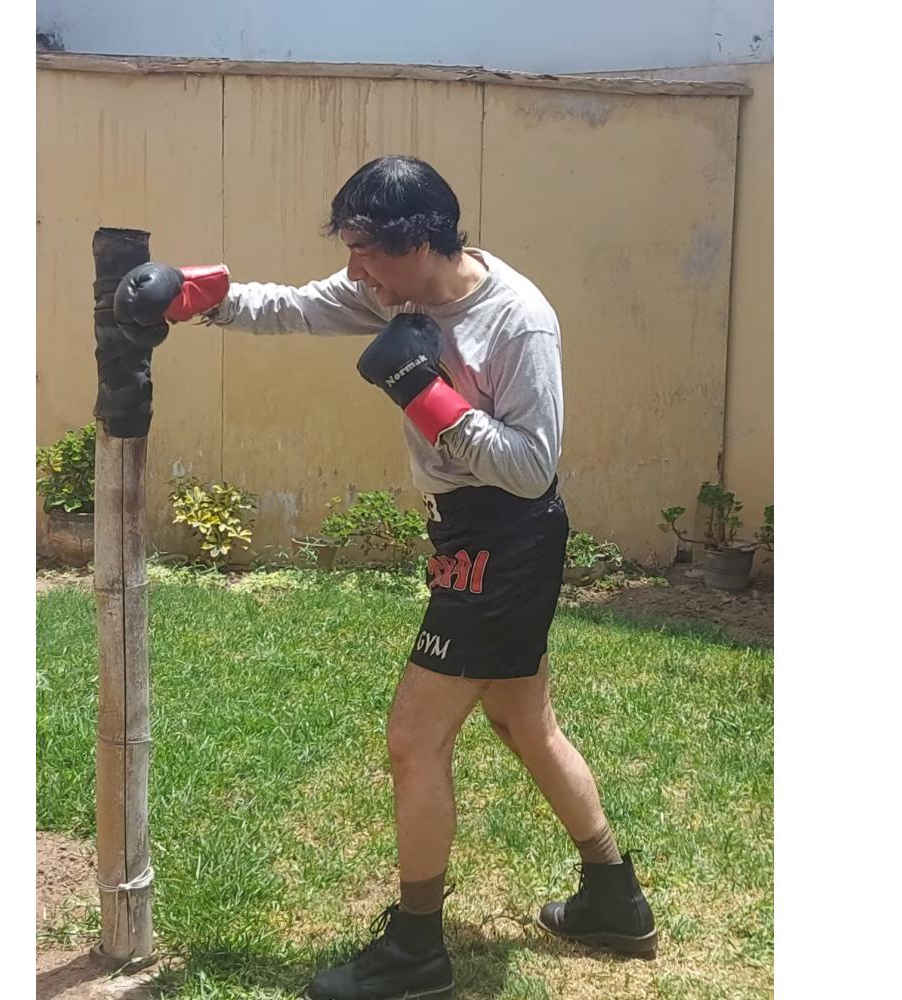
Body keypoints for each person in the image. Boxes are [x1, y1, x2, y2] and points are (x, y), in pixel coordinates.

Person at [114, 155, 658, 1000]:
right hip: (468, 534)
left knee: (415, 739)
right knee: (524, 722)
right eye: (351, 249)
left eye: (368, 251)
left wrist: (425, 394)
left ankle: (415, 950)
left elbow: (531, 466)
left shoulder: (518, 322)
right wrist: (199, 299)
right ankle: (613, 897)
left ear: (424, 241)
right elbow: (298, 306)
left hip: (507, 537)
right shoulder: (393, 292)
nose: (356, 268)